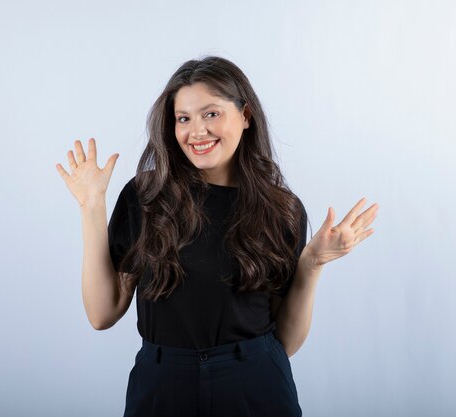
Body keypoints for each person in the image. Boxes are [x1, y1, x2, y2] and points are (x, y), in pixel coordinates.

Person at [55, 55, 379, 417]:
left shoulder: (281, 209)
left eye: (211, 114)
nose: (196, 132)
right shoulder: (146, 197)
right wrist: (91, 208)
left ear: (245, 116)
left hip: (255, 384)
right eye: (184, 118)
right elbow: (102, 313)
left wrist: (312, 263)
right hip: (163, 387)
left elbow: (285, 341)